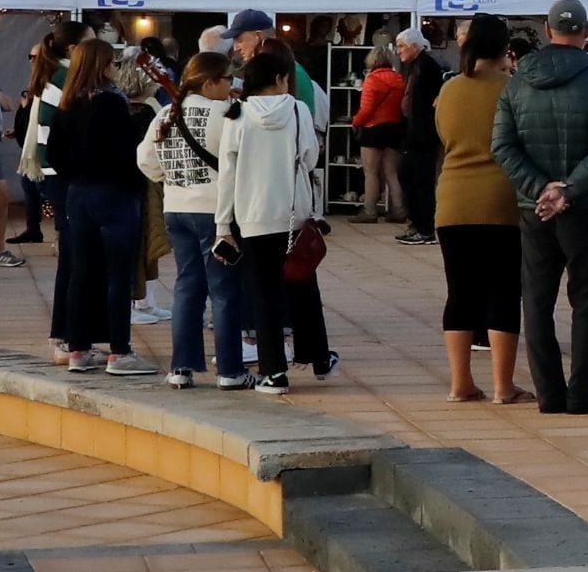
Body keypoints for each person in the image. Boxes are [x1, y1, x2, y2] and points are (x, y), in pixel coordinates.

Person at [496, 0, 588, 415]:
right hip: (587, 206)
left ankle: (549, 394)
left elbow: (502, 145)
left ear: (547, 29)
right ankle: (580, 393)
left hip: (533, 207)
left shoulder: (517, 81)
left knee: (536, 300)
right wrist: (568, 190)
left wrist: (542, 188)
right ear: (586, 30)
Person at [216, 47, 330, 392]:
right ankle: (318, 357)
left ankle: (273, 372)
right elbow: (310, 158)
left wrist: (223, 224)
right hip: (293, 213)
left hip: (251, 215)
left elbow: (228, 172)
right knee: (302, 282)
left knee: (262, 294)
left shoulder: (236, 114)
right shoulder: (296, 110)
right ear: (281, 79)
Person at [140, 48, 248, 387]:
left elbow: (146, 160)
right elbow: (239, 157)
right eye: (229, 79)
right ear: (213, 81)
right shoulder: (224, 114)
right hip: (216, 211)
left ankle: (181, 368)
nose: (233, 86)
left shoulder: (164, 115)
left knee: (187, 286)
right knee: (223, 290)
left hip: (177, 205)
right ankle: (230, 370)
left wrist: (173, 179)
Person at [40, 39, 150, 372]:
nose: (117, 69)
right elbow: (125, 153)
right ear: (103, 66)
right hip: (113, 194)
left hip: (78, 193)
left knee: (81, 273)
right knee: (119, 275)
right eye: (114, 63)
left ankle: (78, 348)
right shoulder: (112, 104)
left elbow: (53, 153)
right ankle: (120, 350)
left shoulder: (68, 103)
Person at [432, 14, 524, 405]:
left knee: (460, 293)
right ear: (505, 48)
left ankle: (460, 382)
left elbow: (443, 136)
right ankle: (504, 386)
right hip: (501, 199)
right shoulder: (512, 89)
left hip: (453, 199)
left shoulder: (450, 90)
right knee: (503, 291)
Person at [394, 24, 449, 243]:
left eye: (401, 47)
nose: (398, 51)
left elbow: (425, 104)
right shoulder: (415, 66)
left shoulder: (426, 67)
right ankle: (417, 223)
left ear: (414, 46)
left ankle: (424, 228)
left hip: (422, 135)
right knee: (408, 178)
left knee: (420, 181)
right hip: (414, 133)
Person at [351, 42, 411, 222]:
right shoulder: (400, 79)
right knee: (391, 172)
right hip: (395, 128)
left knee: (371, 172)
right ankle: (399, 210)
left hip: (373, 129)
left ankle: (369, 211)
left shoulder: (372, 80)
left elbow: (367, 109)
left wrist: (355, 121)